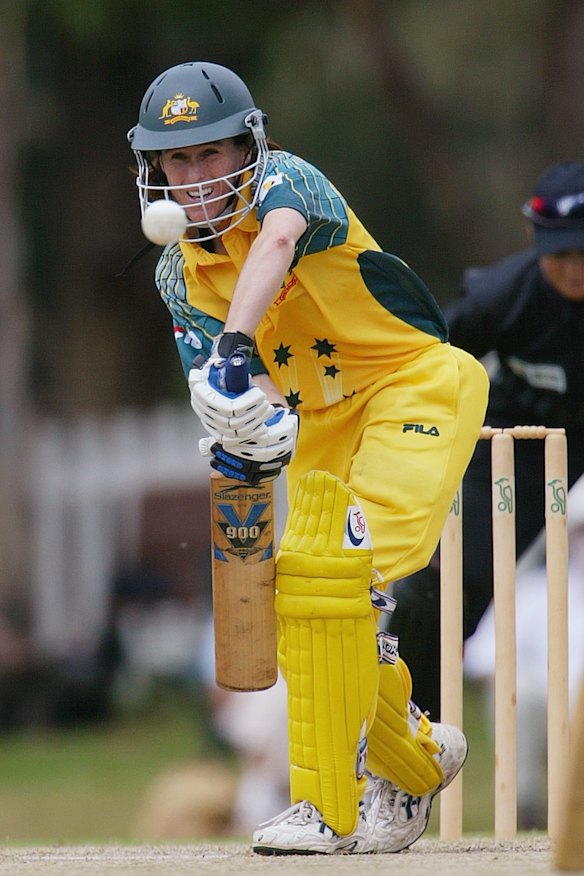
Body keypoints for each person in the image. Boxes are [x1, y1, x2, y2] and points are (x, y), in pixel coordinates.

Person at [127, 61, 489, 855]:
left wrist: (231, 343)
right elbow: (247, 391)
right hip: (321, 428)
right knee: (305, 616)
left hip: (412, 387)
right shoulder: (176, 272)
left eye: (211, 154)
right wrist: (244, 417)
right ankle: (419, 757)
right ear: (153, 169)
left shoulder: (292, 182)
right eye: (177, 161)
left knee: (334, 581)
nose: (194, 178)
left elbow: (278, 246)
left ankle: (327, 808)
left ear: (249, 147)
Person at [386, 161, 584, 720]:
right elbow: (427, 367)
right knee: (441, 582)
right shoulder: (499, 297)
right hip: (520, 442)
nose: (575, 270)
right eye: (561, 255)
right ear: (533, 240)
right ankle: (405, 727)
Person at [464, 474, 584, 829]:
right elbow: (483, 659)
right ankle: (524, 807)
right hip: (548, 707)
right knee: (518, 688)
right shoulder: (535, 590)